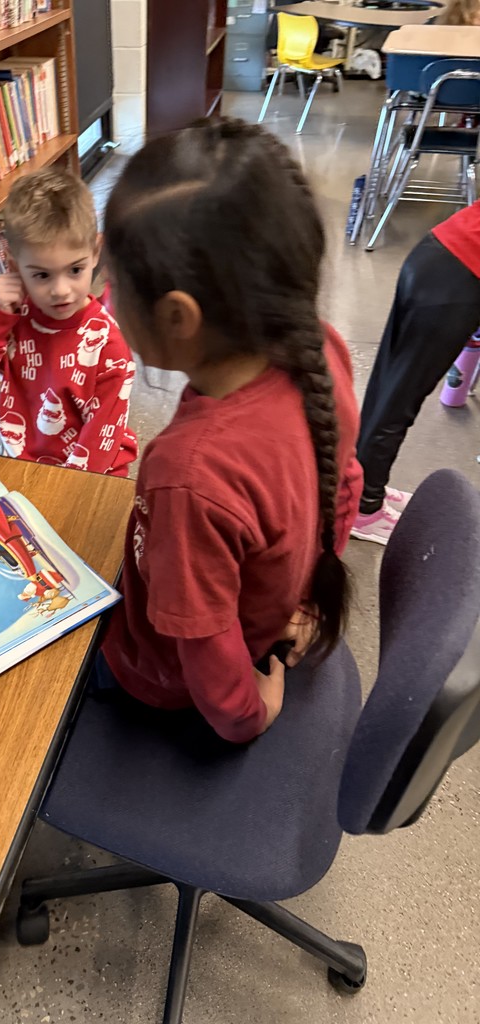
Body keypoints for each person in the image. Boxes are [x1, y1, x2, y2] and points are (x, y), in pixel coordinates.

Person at [93, 117, 362, 744]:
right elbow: (342, 483)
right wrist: (304, 592)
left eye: (114, 286)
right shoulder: (322, 348)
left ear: (177, 316)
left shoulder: (189, 473)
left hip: (160, 679)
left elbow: (202, 639)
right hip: (261, 619)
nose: (105, 301)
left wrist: (249, 717)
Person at [0, 168, 138, 476]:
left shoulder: (108, 346)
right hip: (22, 465)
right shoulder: (10, 319)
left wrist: (55, 491)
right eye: (42, 275)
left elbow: (98, 449)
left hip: (88, 475)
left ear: (95, 251)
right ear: (14, 266)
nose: (61, 291)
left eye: (75, 270)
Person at [352, 201, 480, 544]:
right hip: (460, 277)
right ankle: (363, 510)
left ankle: (362, 486)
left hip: (438, 254)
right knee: (396, 401)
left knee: (387, 390)